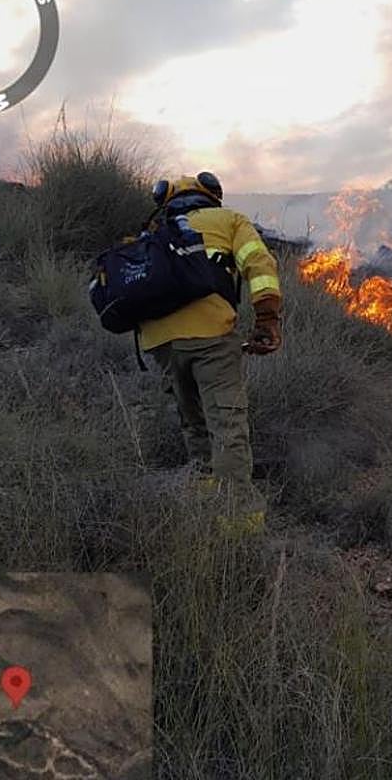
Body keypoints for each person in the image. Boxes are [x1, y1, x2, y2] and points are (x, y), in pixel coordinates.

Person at [139, 172, 282, 535]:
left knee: (193, 421)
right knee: (227, 426)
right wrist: (266, 320)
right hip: (211, 337)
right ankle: (238, 524)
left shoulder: (154, 233)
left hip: (161, 344)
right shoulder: (229, 220)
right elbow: (260, 266)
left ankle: (203, 495)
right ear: (211, 195)